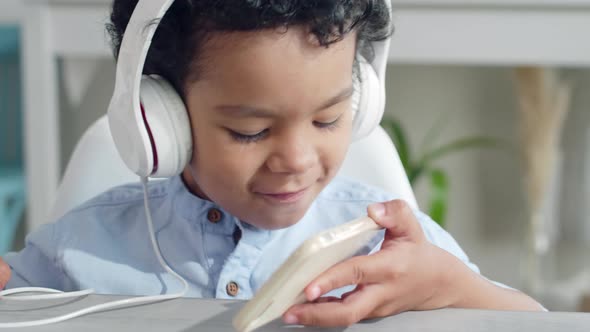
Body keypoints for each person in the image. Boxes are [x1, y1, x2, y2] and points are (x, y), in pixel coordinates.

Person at [0, 0, 543, 327]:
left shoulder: (395, 253)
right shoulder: (80, 250)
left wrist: (450, 287)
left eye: (329, 120)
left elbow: (539, 326)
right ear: (161, 119)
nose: (297, 161)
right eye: (251, 131)